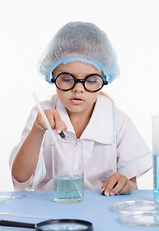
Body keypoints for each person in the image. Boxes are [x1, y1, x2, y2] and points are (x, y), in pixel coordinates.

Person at [9, 21, 152, 195]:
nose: (78, 88)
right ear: (52, 76)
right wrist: (38, 130)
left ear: (104, 79)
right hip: (51, 212)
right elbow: (20, 176)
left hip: (100, 212)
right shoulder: (41, 116)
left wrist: (124, 184)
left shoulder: (118, 121)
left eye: (91, 80)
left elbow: (132, 186)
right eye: (67, 78)